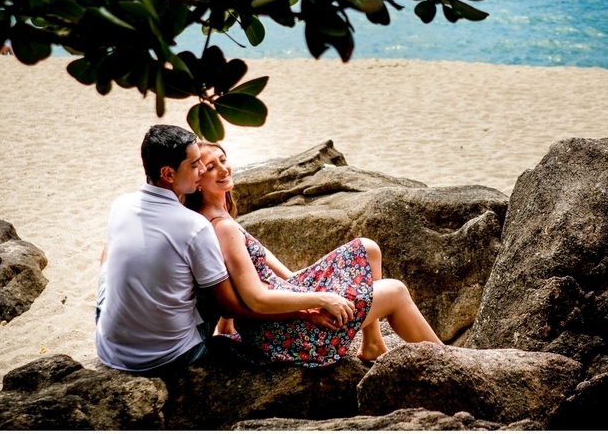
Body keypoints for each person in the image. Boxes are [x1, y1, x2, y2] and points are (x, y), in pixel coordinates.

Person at [184, 141, 442, 366]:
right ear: (197, 182)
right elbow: (256, 299)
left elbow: (280, 277)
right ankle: (451, 361)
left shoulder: (216, 219)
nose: (223, 169)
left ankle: (373, 343)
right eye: (211, 167)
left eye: (223, 160)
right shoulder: (222, 227)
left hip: (276, 313)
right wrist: (322, 300)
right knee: (395, 291)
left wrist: (226, 330)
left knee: (367, 248)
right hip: (284, 333)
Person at [95, 125, 266, 375]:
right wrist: (300, 313)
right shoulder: (195, 226)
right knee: (215, 272)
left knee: (110, 254)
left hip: (111, 350)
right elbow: (228, 306)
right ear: (168, 173)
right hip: (171, 356)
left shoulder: (120, 205)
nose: (200, 171)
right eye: (194, 164)